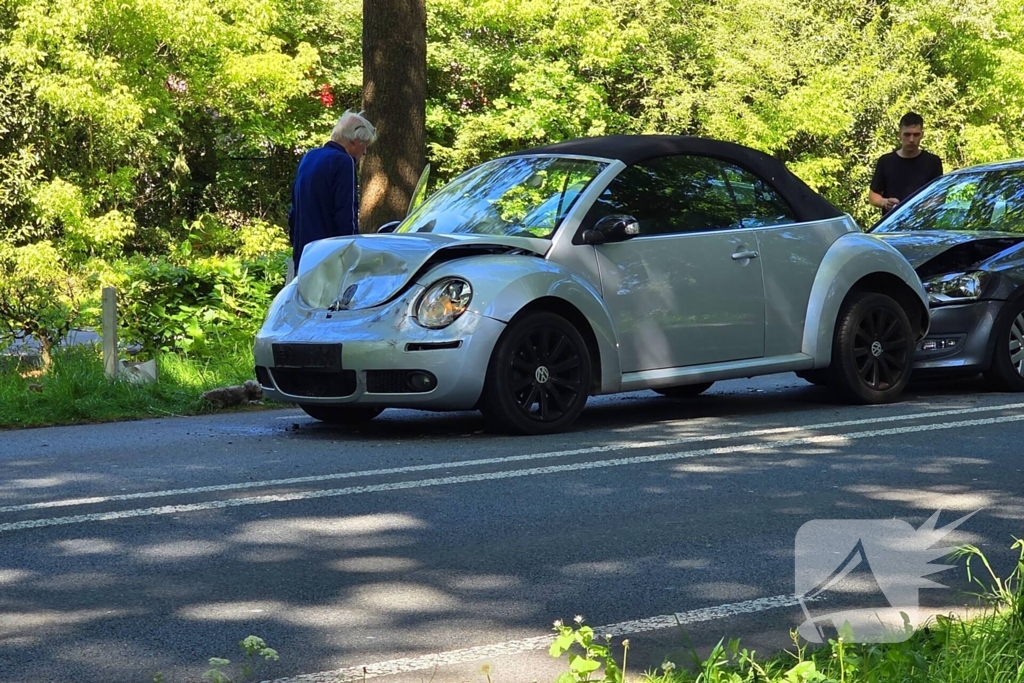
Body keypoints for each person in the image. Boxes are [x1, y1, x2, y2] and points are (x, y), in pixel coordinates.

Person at [288, 110, 377, 271]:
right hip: (329, 257)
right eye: (365, 145)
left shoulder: (309, 157)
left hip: (304, 254)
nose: (364, 152)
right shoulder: (344, 162)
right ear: (355, 141)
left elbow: (293, 211)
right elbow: (346, 214)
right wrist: (350, 256)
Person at [868, 112, 943, 215]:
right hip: (892, 226)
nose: (911, 140)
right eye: (907, 134)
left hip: (922, 225)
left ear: (922, 135)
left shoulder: (933, 162)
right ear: (899, 135)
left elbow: (940, 197)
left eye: (916, 135)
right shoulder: (885, 161)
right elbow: (873, 195)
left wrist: (922, 206)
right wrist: (885, 202)